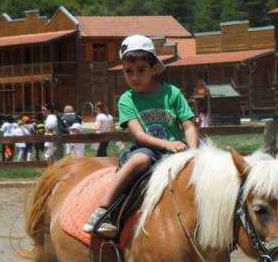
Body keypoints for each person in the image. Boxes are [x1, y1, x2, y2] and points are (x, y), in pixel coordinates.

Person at [83, 34, 199, 237]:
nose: (134, 77)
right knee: (139, 159)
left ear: (154, 69)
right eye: (128, 72)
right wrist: (167, 144)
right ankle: (103, 211)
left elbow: (188, 126)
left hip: (176, 150)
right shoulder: (127, 99)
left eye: (141, 70)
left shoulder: (172, 93)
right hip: (149, 149)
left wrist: (195, 152)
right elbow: (139, 135)